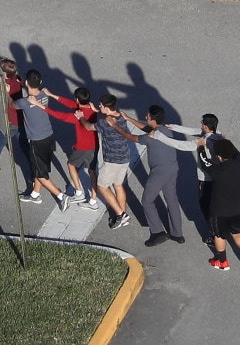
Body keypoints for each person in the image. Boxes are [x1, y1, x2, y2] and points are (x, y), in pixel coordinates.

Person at [108, 106, 184, 246]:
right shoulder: (165, 130)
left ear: (153, 120)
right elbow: (147, 128)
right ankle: (177, 234)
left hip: (159, 173)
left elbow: (130, 136)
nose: (145, 116)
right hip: (173, 168)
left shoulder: (149, 138)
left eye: (148, 116)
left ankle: (158, 232)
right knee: (171, 199)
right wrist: (129, 119)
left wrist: (114, 125)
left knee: (147, 201)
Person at [150, 114, 223, 246]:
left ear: (205, 126)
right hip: (219, 178)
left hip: (206, 180)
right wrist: (174, 127)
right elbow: (194, 131)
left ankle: (214, 236)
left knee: (207, 209)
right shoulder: (218, 134)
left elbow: (180, 145)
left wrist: (159, 136)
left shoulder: (204, 142)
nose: (201, 126)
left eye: (202, 124)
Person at [7, 70, 70, 212]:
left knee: (40, 173)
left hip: (36, 141)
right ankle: (35, 194)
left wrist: (8, 92)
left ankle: (61, 196)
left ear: (27, 83)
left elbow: (12, 105)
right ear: (40, 82)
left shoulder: (24, 102)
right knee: (40, 168)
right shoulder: (43, 95)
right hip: (49, 136)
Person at [30, 87, 100, 210]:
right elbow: (70, 103)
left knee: (70, 164)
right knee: (92, 171)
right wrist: (50, 94)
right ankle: (93, 201)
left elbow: (58, 115)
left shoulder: (78, 116)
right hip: (94, 144)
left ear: (78, 99)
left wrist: (38, 104)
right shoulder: (91, 107)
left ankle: (79, 192)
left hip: (83, 147)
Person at [198, 139, 240, 274]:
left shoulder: (217, 171)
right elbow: (233, 149)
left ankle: (222, 260)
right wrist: (223, 140)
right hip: (238, 208)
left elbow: (204, 162)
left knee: (219, 235)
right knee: (238, 232)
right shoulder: (239, 161)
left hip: (220, 211)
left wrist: (201, 147)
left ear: (219, 156)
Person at [75, 94, 131, 229]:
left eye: (100, 105)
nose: (98, 106)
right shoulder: (121, 117)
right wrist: (97, 110)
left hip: (112, 160)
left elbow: (89, 126)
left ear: (106, 107)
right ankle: (121, 215)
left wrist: (80, 117)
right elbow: (104, 116)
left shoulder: (105, 123)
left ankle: (121, 215)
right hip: (125, 157)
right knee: (118, 185)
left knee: (102, 186)